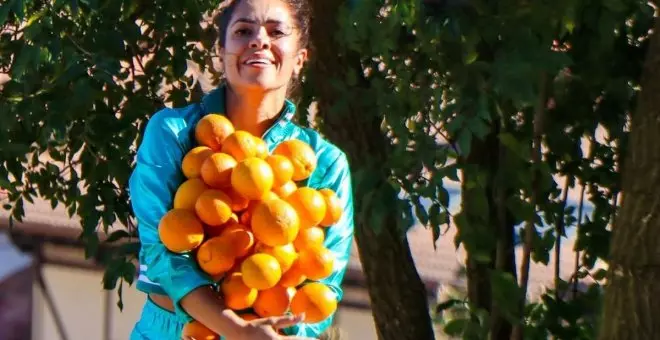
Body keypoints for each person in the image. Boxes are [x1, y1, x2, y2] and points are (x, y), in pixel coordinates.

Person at [127, 0, 355, 339]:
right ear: (221, 52)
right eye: (243, 31)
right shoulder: (171, 133)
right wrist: (236, 330)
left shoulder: (325, 162)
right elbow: (162, 251)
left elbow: (324, 285)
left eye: (276, 31)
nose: (259, 40)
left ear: (300, 58)